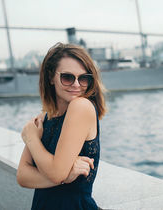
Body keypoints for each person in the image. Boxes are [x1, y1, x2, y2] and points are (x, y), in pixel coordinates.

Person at [17, 42, 106, 210]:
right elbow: (22, 176)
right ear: (51, 77)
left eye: (84, 78)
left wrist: (31, 138)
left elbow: (57, 173)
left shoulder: (81, 106)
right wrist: (65, 176)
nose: (77, 85)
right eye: (67, 77)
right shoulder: (45, 116)